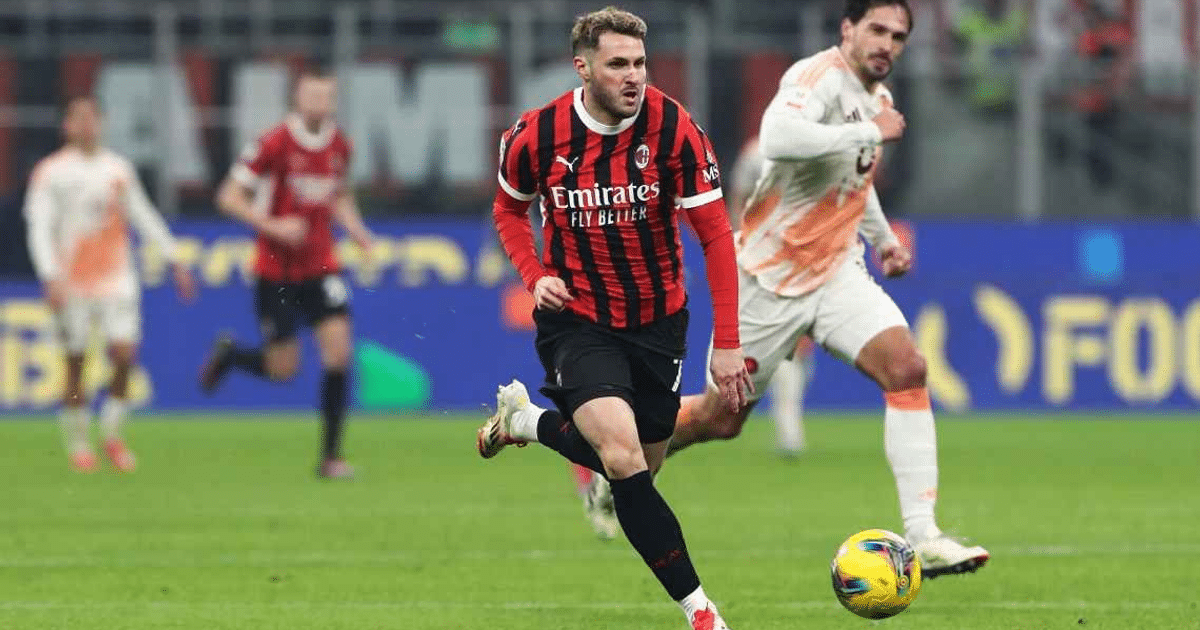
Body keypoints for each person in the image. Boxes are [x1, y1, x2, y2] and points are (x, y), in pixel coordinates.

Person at [585, 0, 990, 579]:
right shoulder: (815, 78)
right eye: (876, 29)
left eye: (898, 35)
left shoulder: (876, 101)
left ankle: (922, 535)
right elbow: (777, 135)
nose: (887, 43)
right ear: (848, 29)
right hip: (768, 282)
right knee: (718, 420)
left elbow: (853, 179)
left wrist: (881, 239)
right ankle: (618, 465)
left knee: (907, 367)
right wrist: (868, 130)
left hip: (837, 274)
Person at [475, 7, 752, 629]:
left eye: (641, 64)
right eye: (618, 64)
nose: (635, 77)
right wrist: (534, 275)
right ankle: (702, 612)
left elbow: (715, 238)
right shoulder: (536, 136)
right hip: (580, 321)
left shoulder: (675, 128)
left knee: (638, 468)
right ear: (584, 68)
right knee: (623, 458)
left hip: (659, 322)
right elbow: (509, 212)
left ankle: (525, 422)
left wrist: (726, 342)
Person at [198, 67, 375, 479]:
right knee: (284, 369)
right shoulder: (273, 143)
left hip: (321, 266)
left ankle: (331, 457)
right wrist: (272, 225)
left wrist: (356, 229)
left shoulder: (339, 146)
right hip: (275, 271)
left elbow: (340, 195)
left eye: (325, 96)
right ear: (298, 98)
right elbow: (227, 196)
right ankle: (230, 355)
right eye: (311, 95)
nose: (319, 103)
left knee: (338, 354)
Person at [24, 94, 197, 473]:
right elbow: (40, 228)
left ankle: (112, 432)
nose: (87, 124)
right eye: (79, 117)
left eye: (93, 117)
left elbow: (143, 214)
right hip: (72, 283)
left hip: (117, 278)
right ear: (66, 125)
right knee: (75, 364)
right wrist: (50, 275)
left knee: (124, 356)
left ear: (101, 122)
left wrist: (173, 258)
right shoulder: (51, 172)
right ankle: (78, 441)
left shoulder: (118, 169)